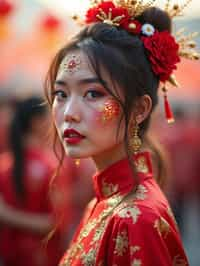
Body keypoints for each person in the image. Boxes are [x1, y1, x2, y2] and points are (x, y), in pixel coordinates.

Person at [44, 1, 198, 265]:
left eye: (93, 93)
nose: (69, 112)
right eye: (61, 94)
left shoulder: (136, 219)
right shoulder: (103, 203)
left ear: (139, 108)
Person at [0, 96, 63, 266]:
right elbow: (56, 222)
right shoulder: (50, 166)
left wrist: (7, 216)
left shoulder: (4, 165)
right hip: (40, 257)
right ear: (37, 122)